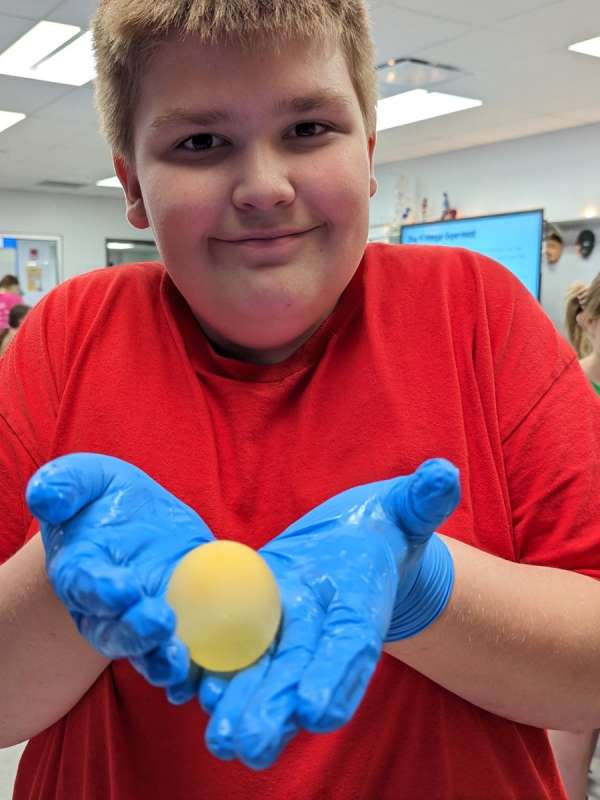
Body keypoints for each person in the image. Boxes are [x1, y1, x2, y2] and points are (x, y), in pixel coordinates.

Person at [1, 2, 600, 799]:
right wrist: (64, 583)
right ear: (133, 188)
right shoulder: (67, 338)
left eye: (309, 128)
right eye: (200, 142)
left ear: (370, 152)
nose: (265, 187)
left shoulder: (477, 315)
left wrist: (427, 590)